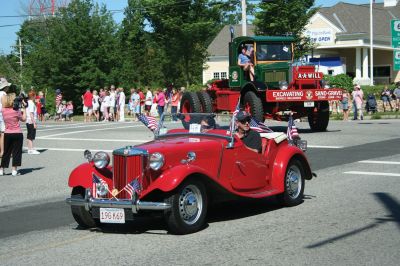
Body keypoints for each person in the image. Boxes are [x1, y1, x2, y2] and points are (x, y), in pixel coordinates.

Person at [0, 93, 27, 176]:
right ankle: (14, 170)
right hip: (17, 133)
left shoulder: (3, 110)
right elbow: (24, 119)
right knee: (16, 152)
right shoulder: (16, 111)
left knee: (6, 152)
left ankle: (1, 169)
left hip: (7, 133)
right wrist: (24, 108)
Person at [0, 77, 11, 158]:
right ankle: (3, 151)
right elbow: (6, 106)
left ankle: (2, 151)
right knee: (4, 134)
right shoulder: (3, 94)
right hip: (2, 115)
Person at [26, 90, 40, 154]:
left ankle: (30, 149)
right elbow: (31, 113)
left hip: (28, 121)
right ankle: (31, 149)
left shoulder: (28, 102)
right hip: (31, 121)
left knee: (29, 135)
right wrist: (34, 123)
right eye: (35, 95)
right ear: (33, 96)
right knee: (31, 136)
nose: (35, 97)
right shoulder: (31, 103)